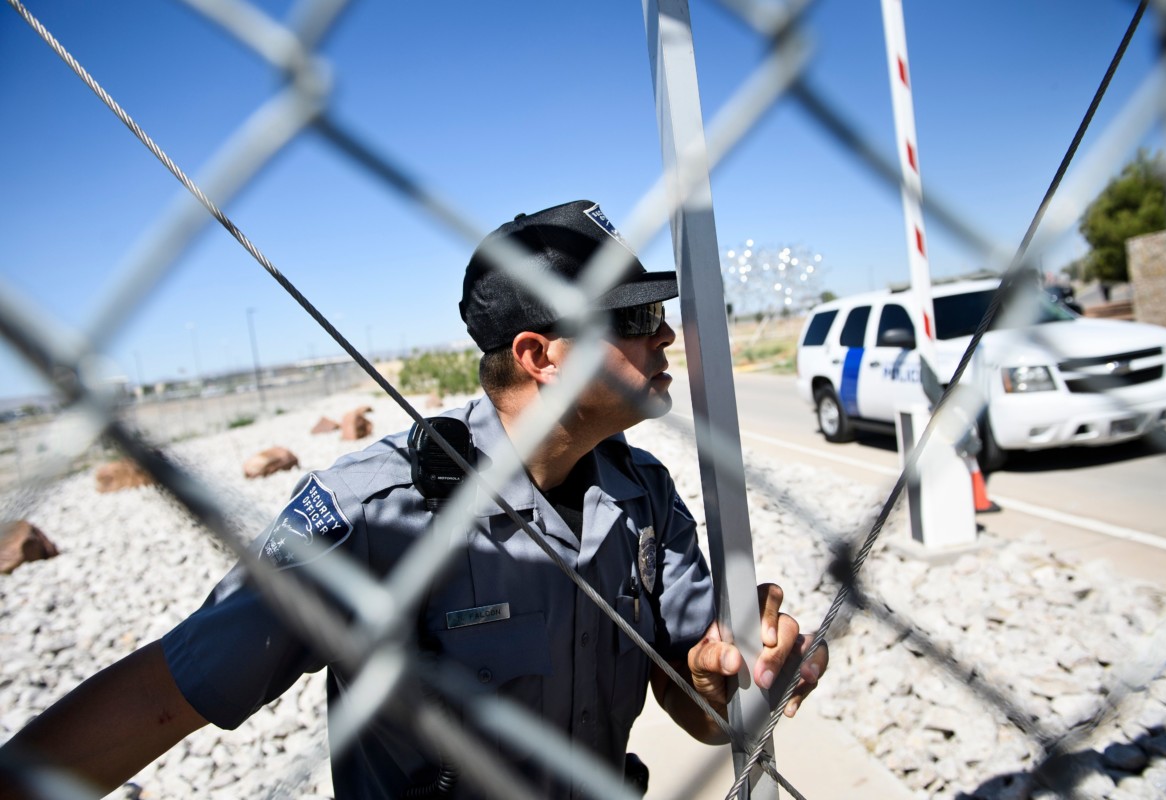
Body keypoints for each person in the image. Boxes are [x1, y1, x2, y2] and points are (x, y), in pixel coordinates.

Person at [0, 200, 828, 799]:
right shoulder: (374, 510)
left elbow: (701, 710)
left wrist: (735, 679)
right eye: (636, 315)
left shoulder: (642, 496)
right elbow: (161, 697)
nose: (667, 335)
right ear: (540, 354)